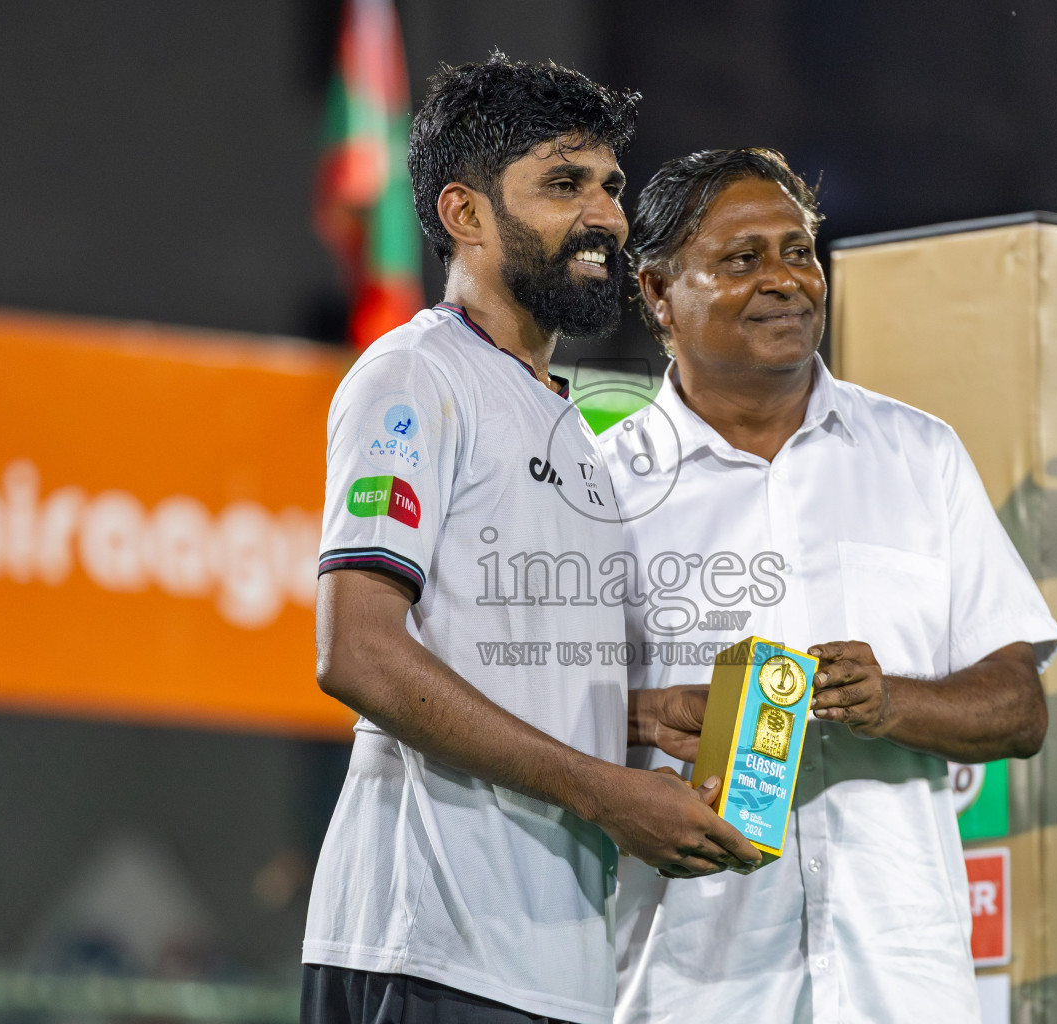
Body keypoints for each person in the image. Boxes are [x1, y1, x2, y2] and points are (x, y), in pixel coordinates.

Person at [302, 59, 759, 1024]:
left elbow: (477, 651)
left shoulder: (567, 428)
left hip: (548, 971)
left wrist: (631, 714)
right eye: (564, 185)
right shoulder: (415, 375)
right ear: (465, 215)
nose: (606, 216)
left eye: (610, 187)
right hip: (425, 951)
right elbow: (360, 653)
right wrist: (603, 791)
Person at [601, 148, 1057, 1023]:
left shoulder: (919, 456)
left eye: (799, 251)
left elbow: (1020, 708)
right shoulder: (603, 490)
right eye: (743, 259)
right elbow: (528, 714)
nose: (786, 280)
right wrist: (644, 713)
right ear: (659, 292)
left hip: (900, 983)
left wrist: (891, 703)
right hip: (689, 985)